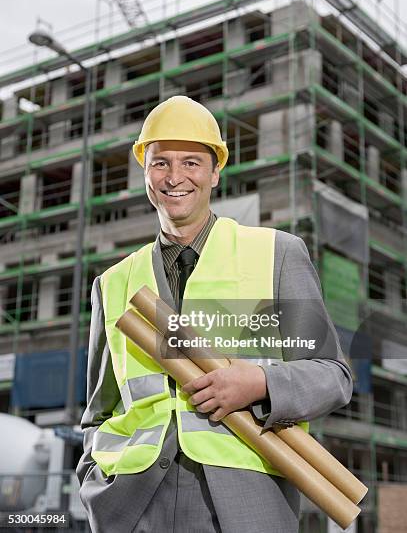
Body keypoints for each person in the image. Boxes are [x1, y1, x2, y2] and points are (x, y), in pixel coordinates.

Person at [76, 95, 353, 533]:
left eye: (191, 162)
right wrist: (95, 478)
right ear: (145, 171)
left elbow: (333, 376)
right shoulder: (112, 283)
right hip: (131, 504)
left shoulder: (277, 254)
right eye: (160, 162)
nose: (174, 177)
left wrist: (260, 383)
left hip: (244, 503)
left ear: (215, 172)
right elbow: (99, 410)